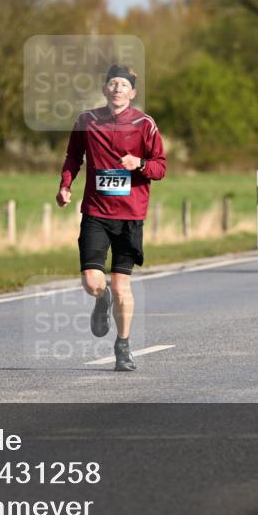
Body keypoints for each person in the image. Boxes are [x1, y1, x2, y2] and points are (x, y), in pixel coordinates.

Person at [56, 64, 166, 372]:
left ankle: (123, 345)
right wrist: (65, 186)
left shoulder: (145, 124)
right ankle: (100, 300)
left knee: (121, 287)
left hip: (130, 216)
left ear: (132, 93)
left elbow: (160, 167)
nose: (117, 88)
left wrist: (139, 163)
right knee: (93, 282)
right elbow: (72, 157)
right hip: (95, 212)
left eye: (123, 85)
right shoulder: (87, 121)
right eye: (112, 84)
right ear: (105, 89)